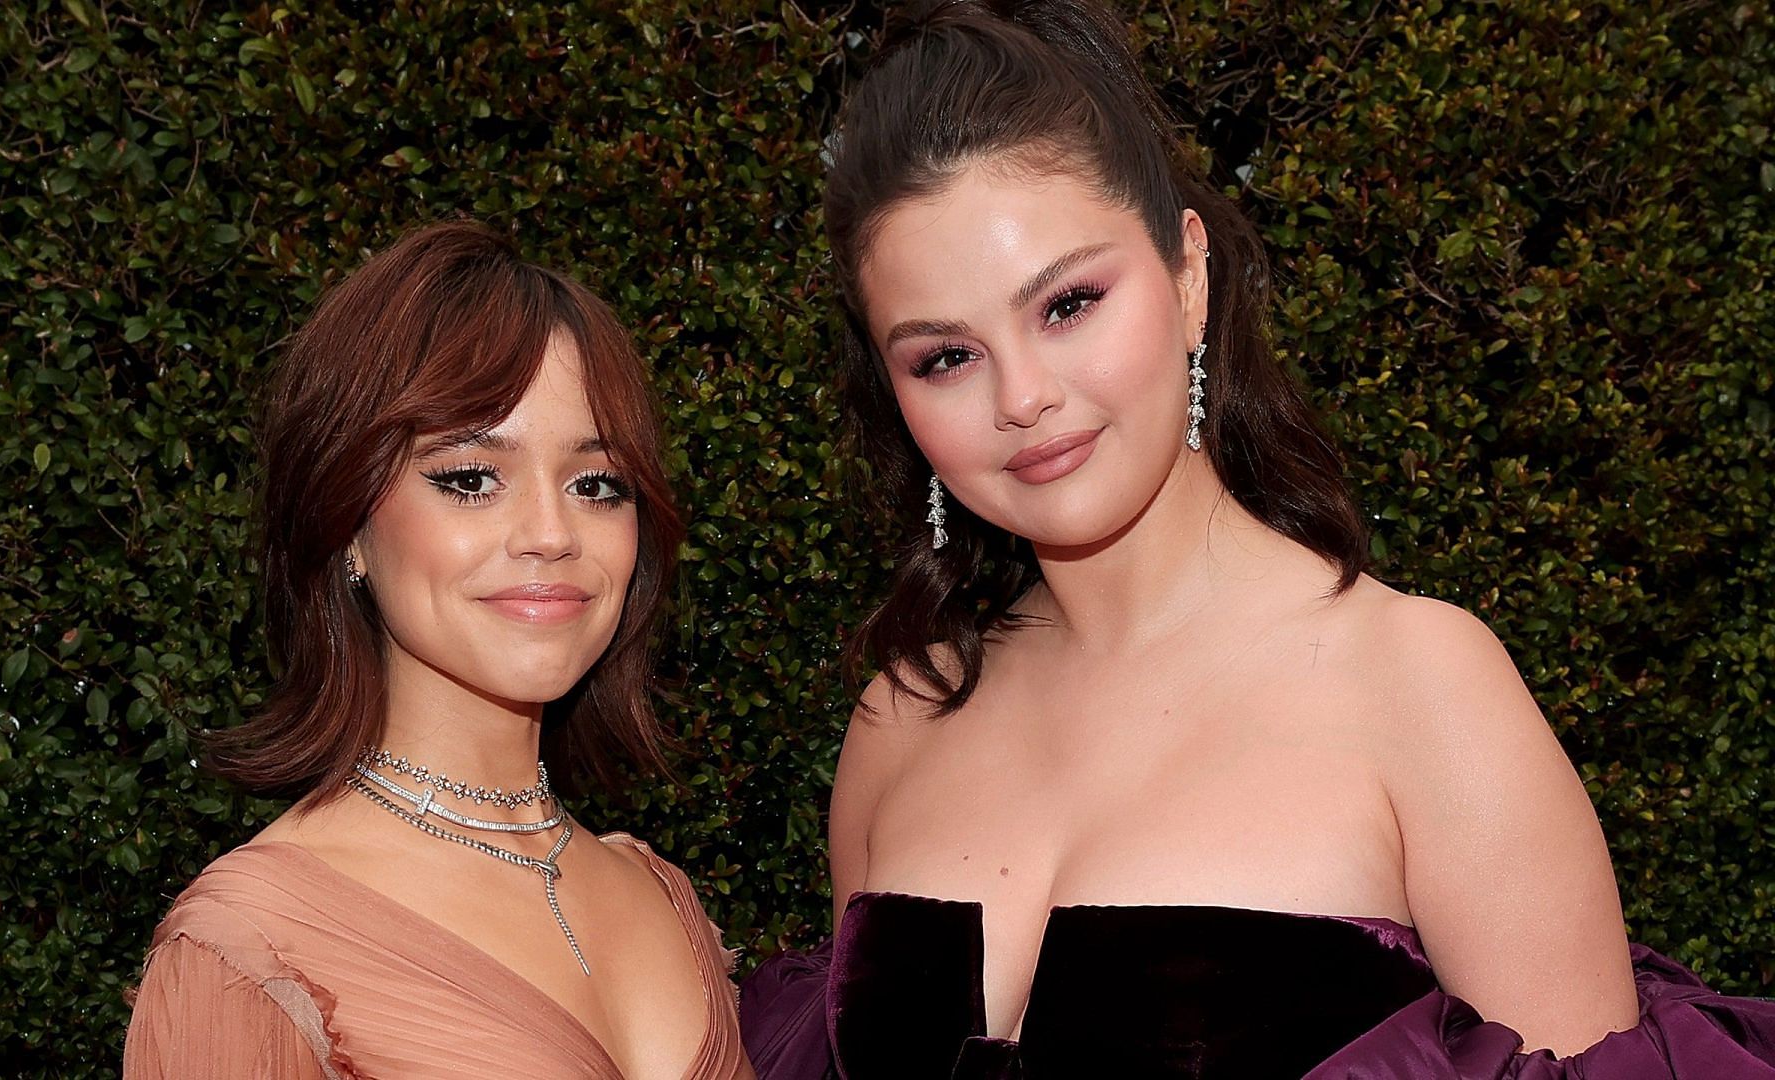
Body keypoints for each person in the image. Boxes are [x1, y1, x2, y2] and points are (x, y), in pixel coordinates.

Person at [739, 2, 1775, 1077]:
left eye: (1069, 303)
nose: (1025, 397)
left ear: (1190, 280)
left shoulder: (1421, 687)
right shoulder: (899, 722)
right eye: (944, 358)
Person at [124, 221, 753, 1080]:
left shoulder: (660, 894)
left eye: (597, 484)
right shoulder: (251, 949)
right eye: (469, 479)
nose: (550, 533)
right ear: (345, 522)